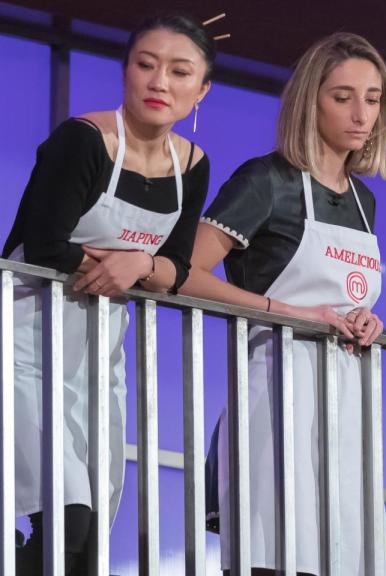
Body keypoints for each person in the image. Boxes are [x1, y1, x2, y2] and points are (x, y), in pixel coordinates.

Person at [2, 13, 213, 574]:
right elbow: (44, 243)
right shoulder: (84, 139)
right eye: (146, 65)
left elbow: (177, 266)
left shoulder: (192, 165)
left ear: (202, 89)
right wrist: (124, 270)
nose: (159, 82)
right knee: (63, 513)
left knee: (90, 538)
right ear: (125, 72)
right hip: (24, 337)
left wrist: (140, 263)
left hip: (97, 356)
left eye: (178, 71)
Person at [178, 31, 386, 575]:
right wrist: (292, 313)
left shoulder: (364, 202)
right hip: (277, 394)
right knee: (272, 557)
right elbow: (182, 274)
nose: (360, 113)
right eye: (342, 96)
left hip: (348, 404)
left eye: (372, 99)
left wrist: (365, 319)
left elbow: (346, 296)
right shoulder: (266, 180)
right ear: (309, 99)